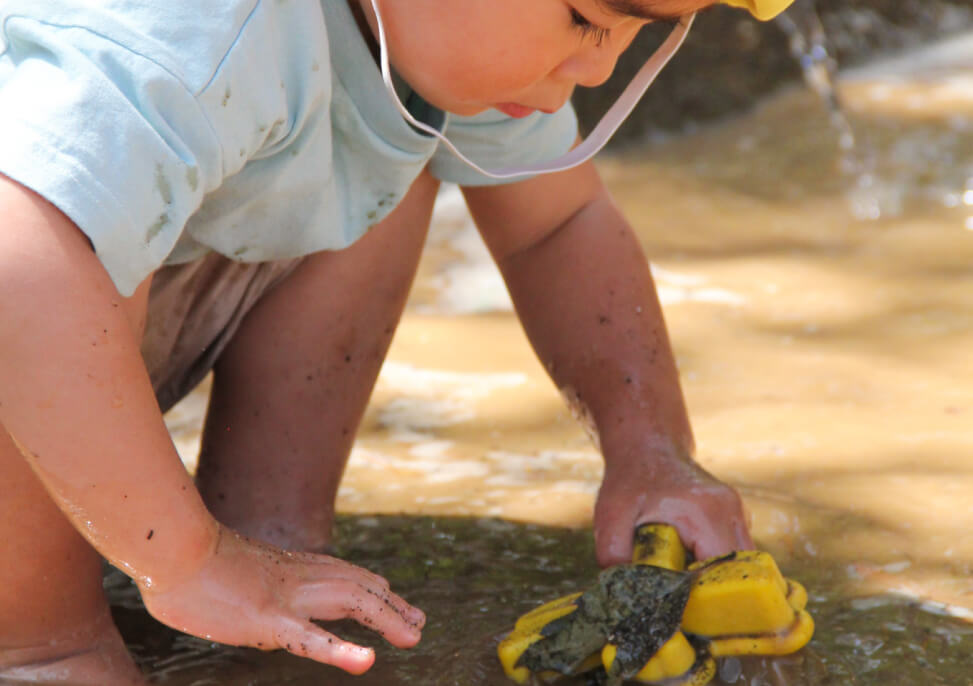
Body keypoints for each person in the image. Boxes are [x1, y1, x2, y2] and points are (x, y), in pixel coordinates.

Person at [0, 0, 793, 683]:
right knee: (63, 237)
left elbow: (557, 224)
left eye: (632, 34)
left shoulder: (420, 36)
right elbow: (20, 262)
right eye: (585, 19)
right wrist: (180, 559)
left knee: (389, 148)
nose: (597, 68)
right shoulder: (196, 29)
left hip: (57, 336)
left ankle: (273, 548)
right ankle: (42, 643)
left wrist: (649, 450)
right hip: (22, 304)